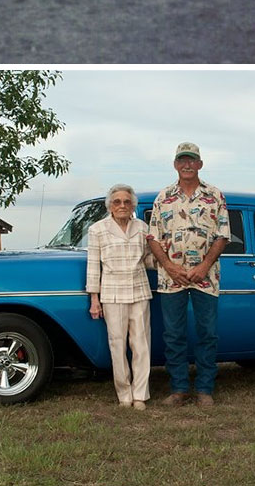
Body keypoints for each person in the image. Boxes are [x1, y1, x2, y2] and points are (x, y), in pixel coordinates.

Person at [147, 142, 229, 406]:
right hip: (172, 278)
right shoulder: (163, 197)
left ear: (200, 164)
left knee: (207, 333)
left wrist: (204, 266)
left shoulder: (214, 195)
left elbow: (222, 235)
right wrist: (170, 267)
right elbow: (153, 238)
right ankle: (179, 389)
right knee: (173, 334)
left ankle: (205, 389)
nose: (187, 165)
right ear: (175, 164)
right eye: (182, 160)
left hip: (207, 276)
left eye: (192, 160)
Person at [86, 183, 153, 409]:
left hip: (140, 290)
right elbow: (94, 266)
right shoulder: (97, 230)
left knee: (141, 344)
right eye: (117, 202)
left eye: (126, 201)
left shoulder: (143, 228)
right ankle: (124, 394)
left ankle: (140, 395)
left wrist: (167, 254)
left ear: (133, 205)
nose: (122, 205)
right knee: (117, 344)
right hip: (112, 294)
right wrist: (94, 300)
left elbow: (147, 260)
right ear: (110, 206)